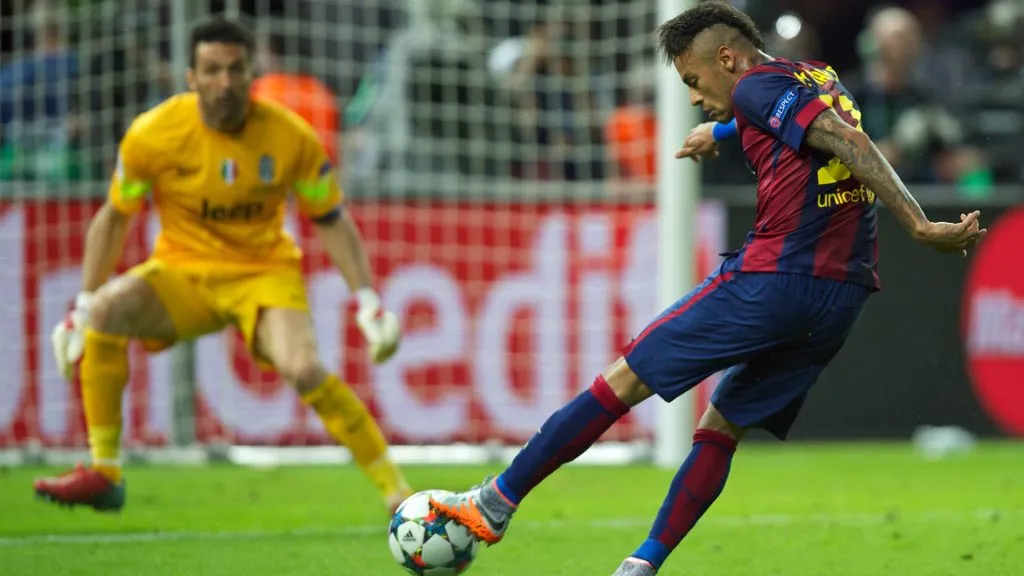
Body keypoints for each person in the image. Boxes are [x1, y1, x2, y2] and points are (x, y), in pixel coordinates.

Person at [427, 2, 985, 575]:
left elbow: (849, 144)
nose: (692, 95)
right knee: (721, 426)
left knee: (625, 378)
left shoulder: (755, 87)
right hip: (841, 296)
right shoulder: (818, 76)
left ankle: (495, 502)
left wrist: (918, 223)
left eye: (693, 81)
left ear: (728, 58)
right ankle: (641, 565)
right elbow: (803, 120)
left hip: (775, 277)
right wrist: (720, 130)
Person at [35, 18, 413, 514]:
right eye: (213, 70)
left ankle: (396, 490)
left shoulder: (290, 137)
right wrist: (82, 306)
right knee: (108, 312)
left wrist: (368, 300)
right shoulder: (154, 134)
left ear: (253, 72)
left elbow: (331, 219)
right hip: (183, 273)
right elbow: (114, 217)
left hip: (263, 274)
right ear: (190, 76)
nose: (226, 83)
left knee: (303, 368)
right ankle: (104, 473)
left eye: (236, 70)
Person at [250, 29, 341, 165]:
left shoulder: (263, 90)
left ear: (272, 54)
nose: (256, 60)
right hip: (320, 179)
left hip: (276, 178)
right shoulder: (322, 91)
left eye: (260, 52)